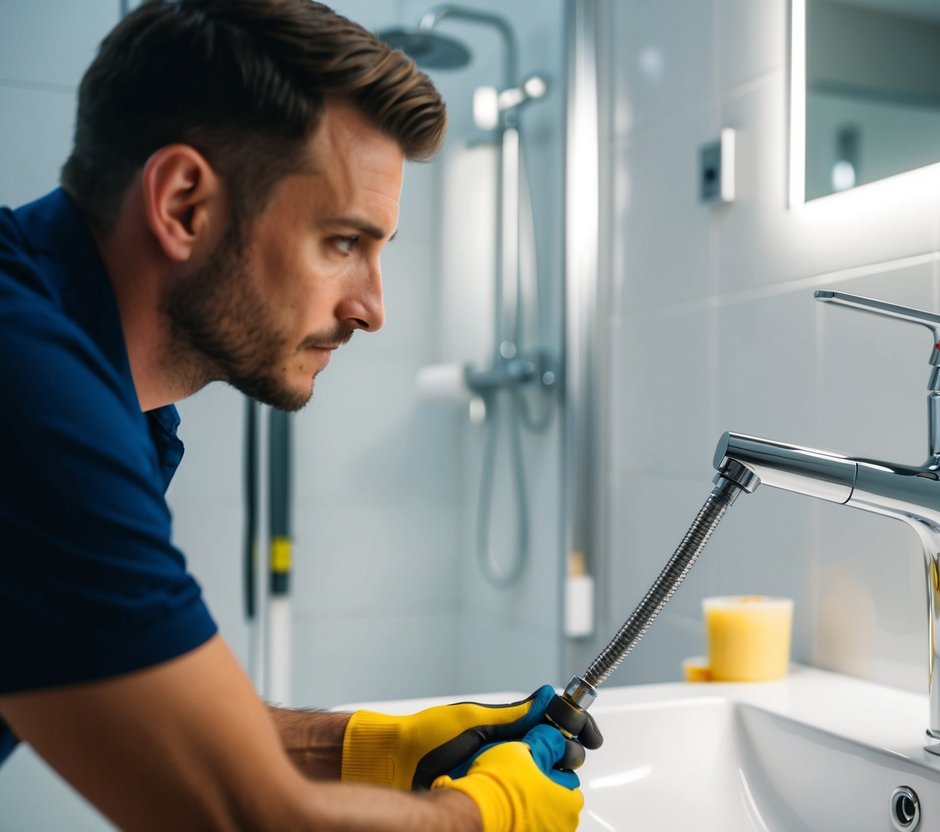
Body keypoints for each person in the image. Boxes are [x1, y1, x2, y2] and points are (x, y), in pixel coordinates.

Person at [0, 1, 599, 829]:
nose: (371, 309)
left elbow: (159, 709)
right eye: (343, 243)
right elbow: (249, 818)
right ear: (182, 205)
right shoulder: (32, 395)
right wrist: (484, 816)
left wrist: (366, 744)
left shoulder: (113, 403)